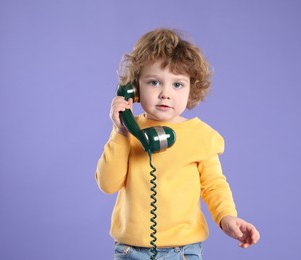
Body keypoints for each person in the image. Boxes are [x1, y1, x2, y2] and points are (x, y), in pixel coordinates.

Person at [96, 28, 260, 259]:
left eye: (177, 85)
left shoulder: (201, 136)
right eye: (154, 82)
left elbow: (214, 185)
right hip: (130, 250)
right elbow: (108, 184)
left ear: (192, 88)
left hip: (183, 251)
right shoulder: (127, 133)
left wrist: (227, 217)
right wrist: (121, 131)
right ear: (134, 88)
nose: (165, 93)